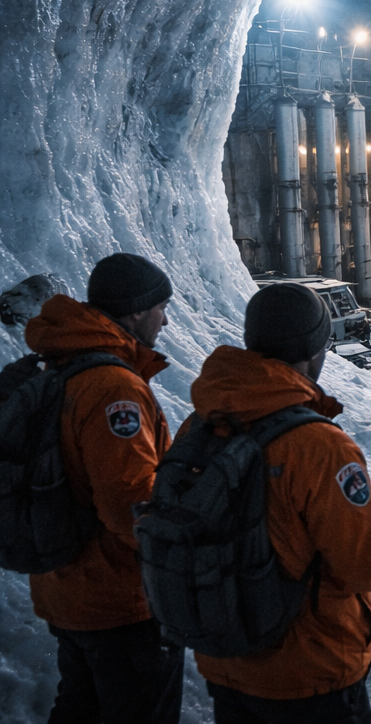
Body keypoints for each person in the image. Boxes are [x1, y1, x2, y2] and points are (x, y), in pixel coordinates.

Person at [190, 283, 371, 724]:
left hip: (228, 660)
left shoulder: (205, 422)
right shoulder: (318, 445)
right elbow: (369, 564)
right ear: (316, 349)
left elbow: (274, 516)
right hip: (308, 674)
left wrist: (367, 506)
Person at [24, 253, 183, 724]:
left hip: (66, 588)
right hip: (119, 601)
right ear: (136, 311)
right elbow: (129, 505)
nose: (166, 318)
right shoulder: (113, 387)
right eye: (161, 307)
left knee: (80, 706)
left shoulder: (59, 364)